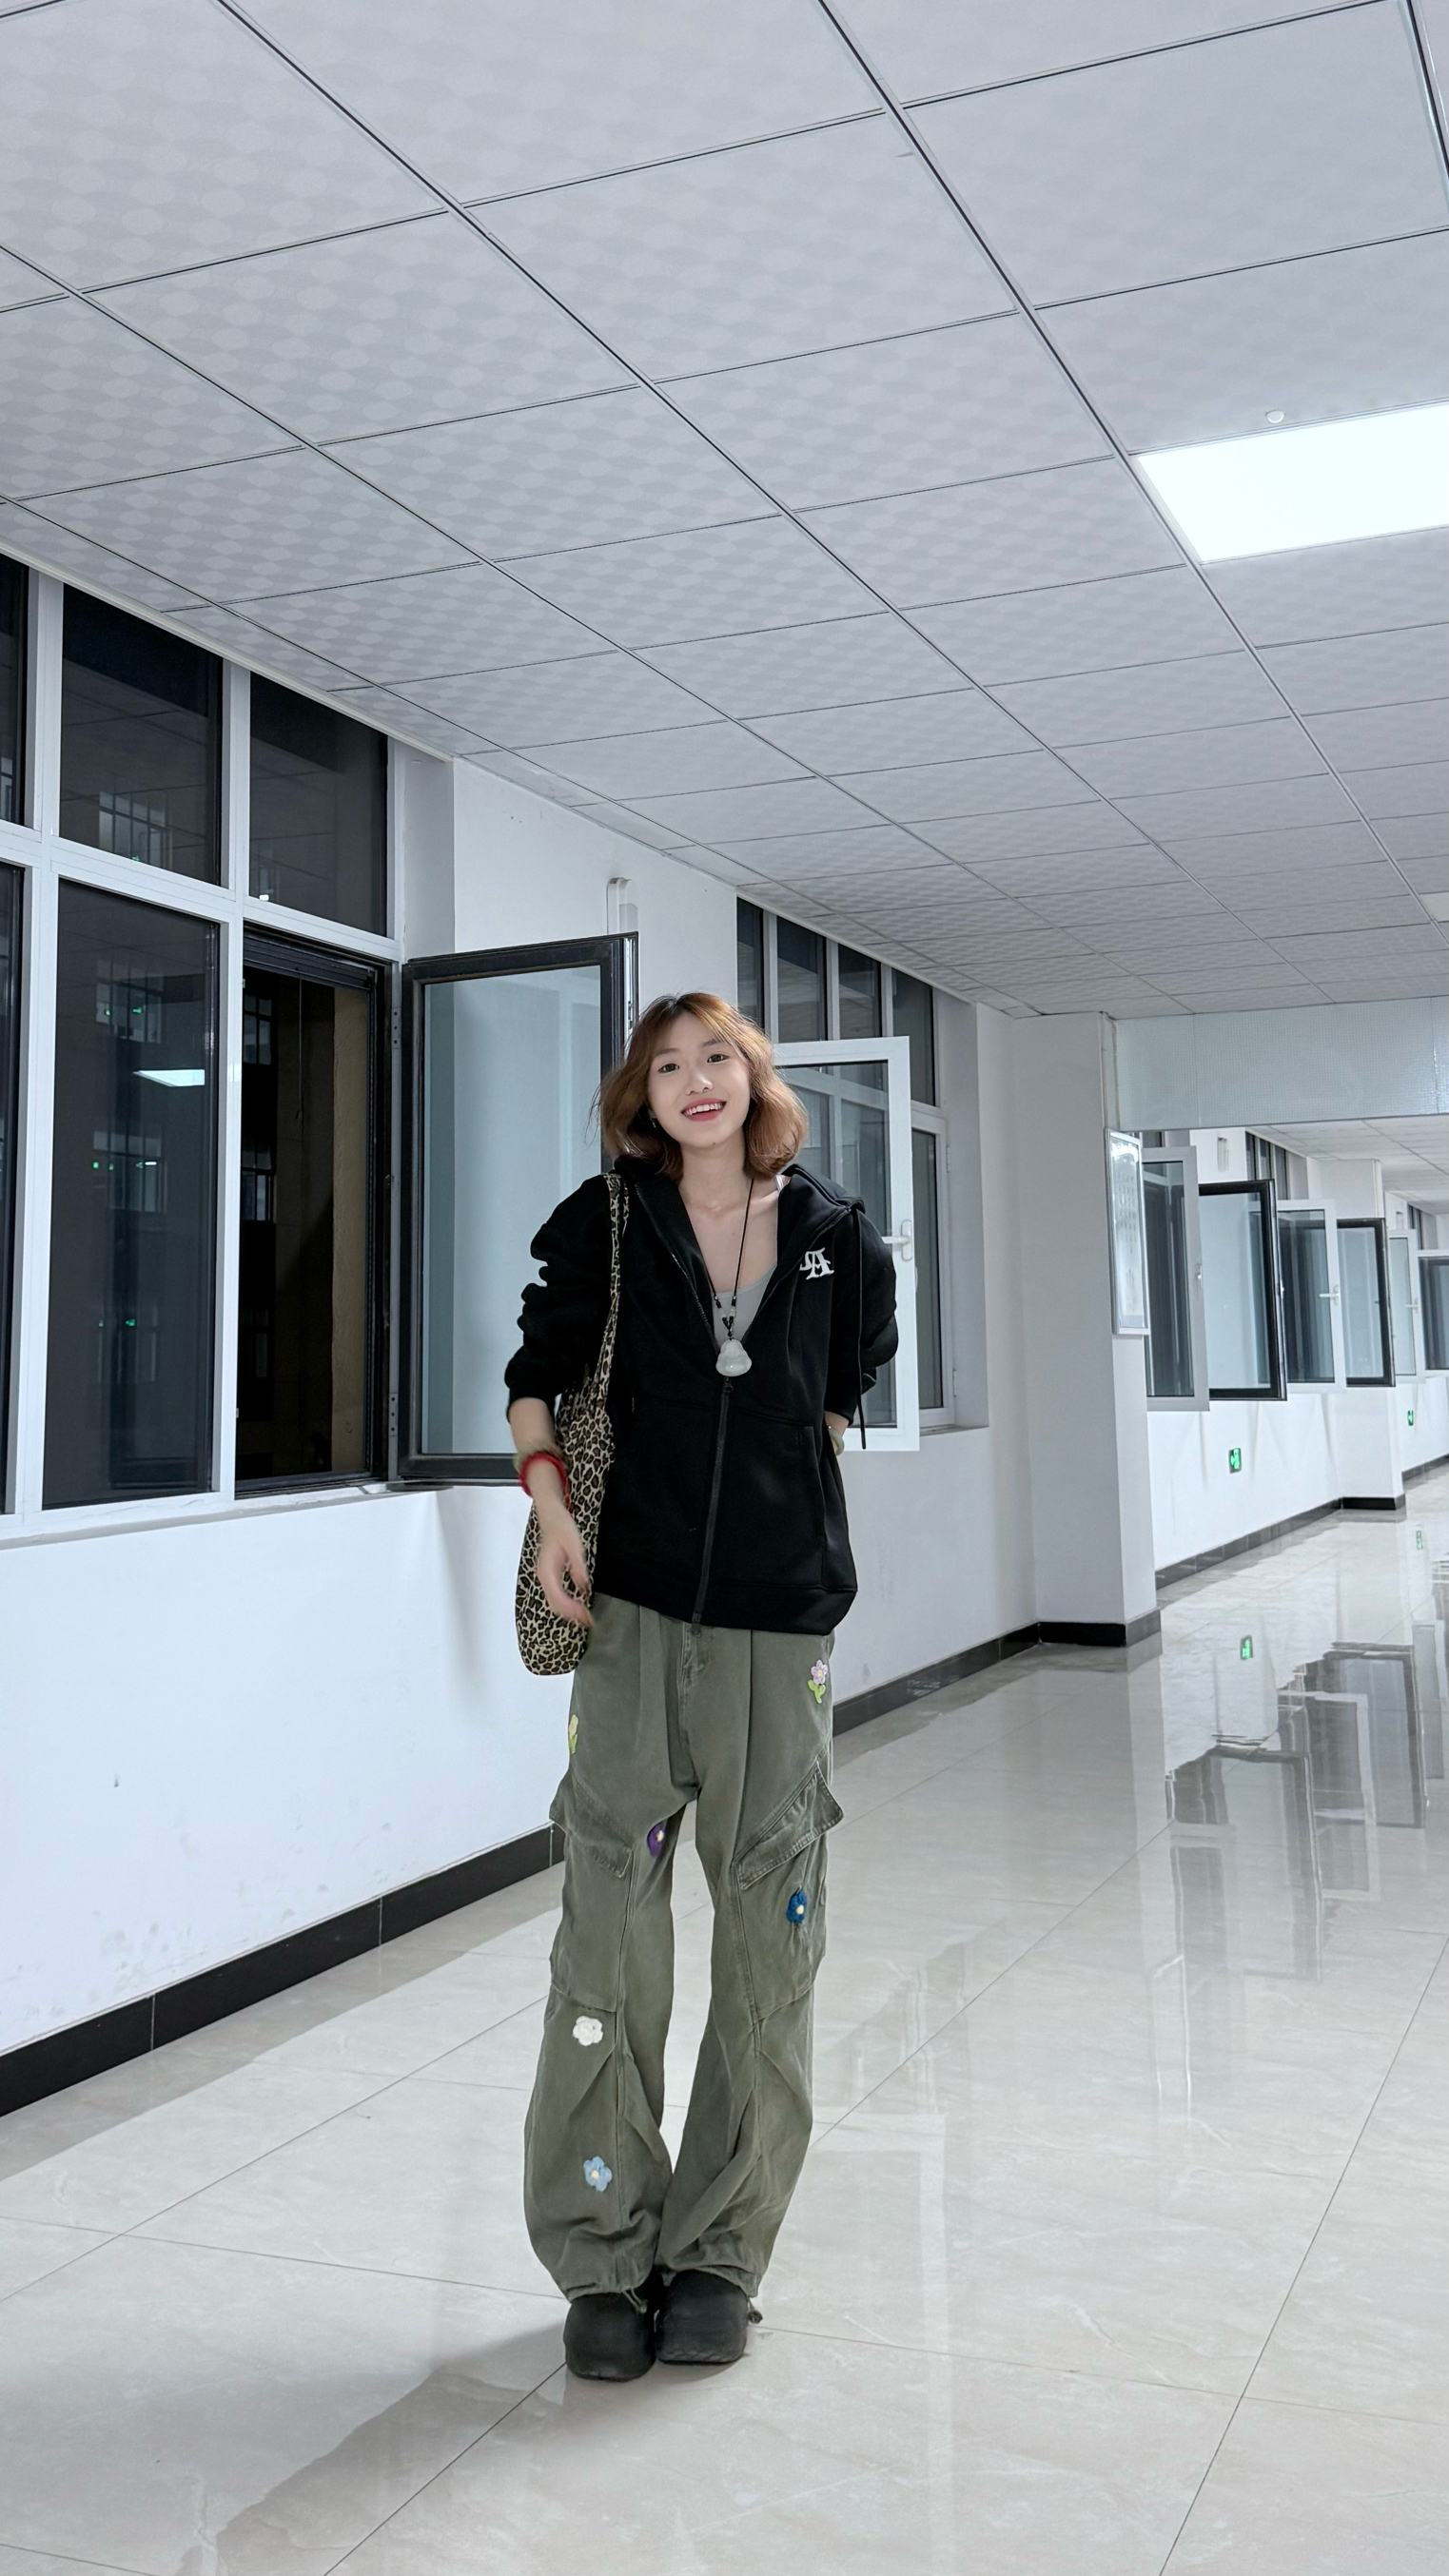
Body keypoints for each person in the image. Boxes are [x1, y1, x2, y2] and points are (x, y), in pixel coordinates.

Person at [505, 990, 898, 2381]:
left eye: (715, 1057)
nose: (694, 1082)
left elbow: (843, 1388)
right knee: (608, 1921)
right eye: (665, 1066)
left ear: (754, 1076)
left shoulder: (839, 1237)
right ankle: (603, 2249)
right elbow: (536, 1379)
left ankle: (721, 2251)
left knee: (769, 1925)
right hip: (630, 1608)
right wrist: (555, 1514)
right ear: (643, 1098)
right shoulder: (609, 1223)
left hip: (778, 1628)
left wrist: (787, 1496)